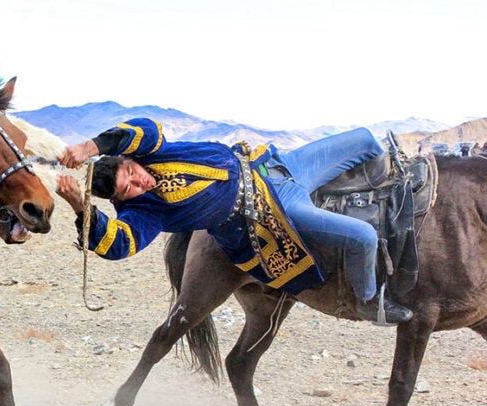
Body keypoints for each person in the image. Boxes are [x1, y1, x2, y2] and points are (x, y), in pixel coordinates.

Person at [56, 117, 413, 325]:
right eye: (129, 187)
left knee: (367, 139)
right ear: (120, 200)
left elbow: (147, 128)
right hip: (275, 206)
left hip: (280, 165)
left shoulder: (155, 152)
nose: (139, 181)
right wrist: (79, 206)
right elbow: (118, 245)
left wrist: (91, 147)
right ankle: (370, 302)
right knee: (363, 237)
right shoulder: (147, 213)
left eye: (132, 171)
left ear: (129, 159)